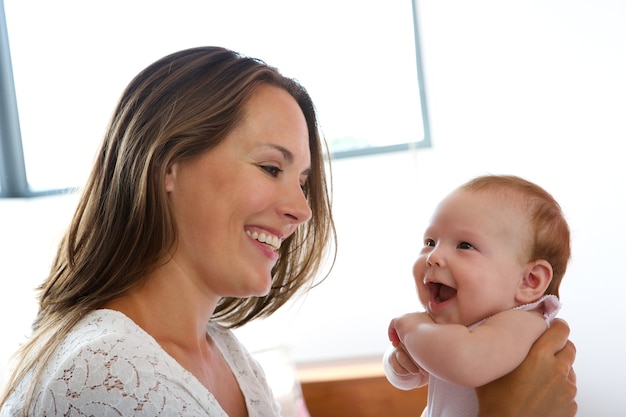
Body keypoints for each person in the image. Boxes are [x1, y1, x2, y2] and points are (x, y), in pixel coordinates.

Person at [0, 48, 576, 416]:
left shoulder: (226, 355)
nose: (301, 209)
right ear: (166, 165)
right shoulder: (105, 376)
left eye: (302, 181)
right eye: (271, 168)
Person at [384, 174, 575, 417]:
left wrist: (412, 330)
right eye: (431, 242)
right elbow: (410, 380)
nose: (433, 256)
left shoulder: (525, 323)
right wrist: (399, 364)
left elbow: (466, 362)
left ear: (529, 281)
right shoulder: (449, 325)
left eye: (464, 246)